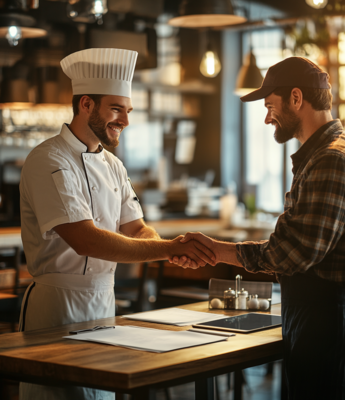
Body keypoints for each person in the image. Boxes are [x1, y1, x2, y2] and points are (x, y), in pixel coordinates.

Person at [173, 57, 345, 400]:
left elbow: (293, 254)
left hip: (328, 329)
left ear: (297, 99)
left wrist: (217, 251)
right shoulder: (330, 156)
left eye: (271, 105)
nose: (267, 116)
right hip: (325, 323)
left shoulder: (331, 159)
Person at [18, 48, 215, 400]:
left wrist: (166, 251)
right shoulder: (48, 160)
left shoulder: (112, 165)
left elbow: (138, 229)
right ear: (86, 106)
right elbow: (87, 240)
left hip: (103, 304)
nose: (124, 120)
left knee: (100, 394)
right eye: (115, 109)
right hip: (57, 306)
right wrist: (168, 247)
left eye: (128, 111)